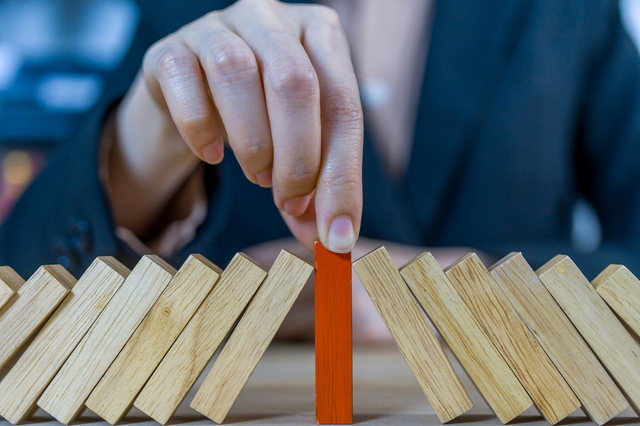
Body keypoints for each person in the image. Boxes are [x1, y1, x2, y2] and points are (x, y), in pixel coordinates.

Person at [2, 0, 640, 339]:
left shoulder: (570, 9)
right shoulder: (186, 8)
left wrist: (434, 290)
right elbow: (25, 303)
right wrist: (143, 142)